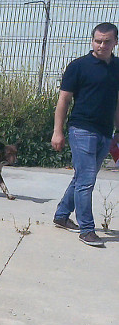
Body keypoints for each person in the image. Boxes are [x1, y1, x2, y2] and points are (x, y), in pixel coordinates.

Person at [51, 22, 119, 248]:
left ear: (115, 42)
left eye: (107, 41)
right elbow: (63, 100)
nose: (101, 45)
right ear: (92, 41)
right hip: (81, 130)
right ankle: (87, 230)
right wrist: (57, 131)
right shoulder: (78, 66)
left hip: (105, 132)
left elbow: (117, 101)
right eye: (98, 41)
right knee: (87, 180)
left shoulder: (117, 67)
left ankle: (61, 216)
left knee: (81, 178)